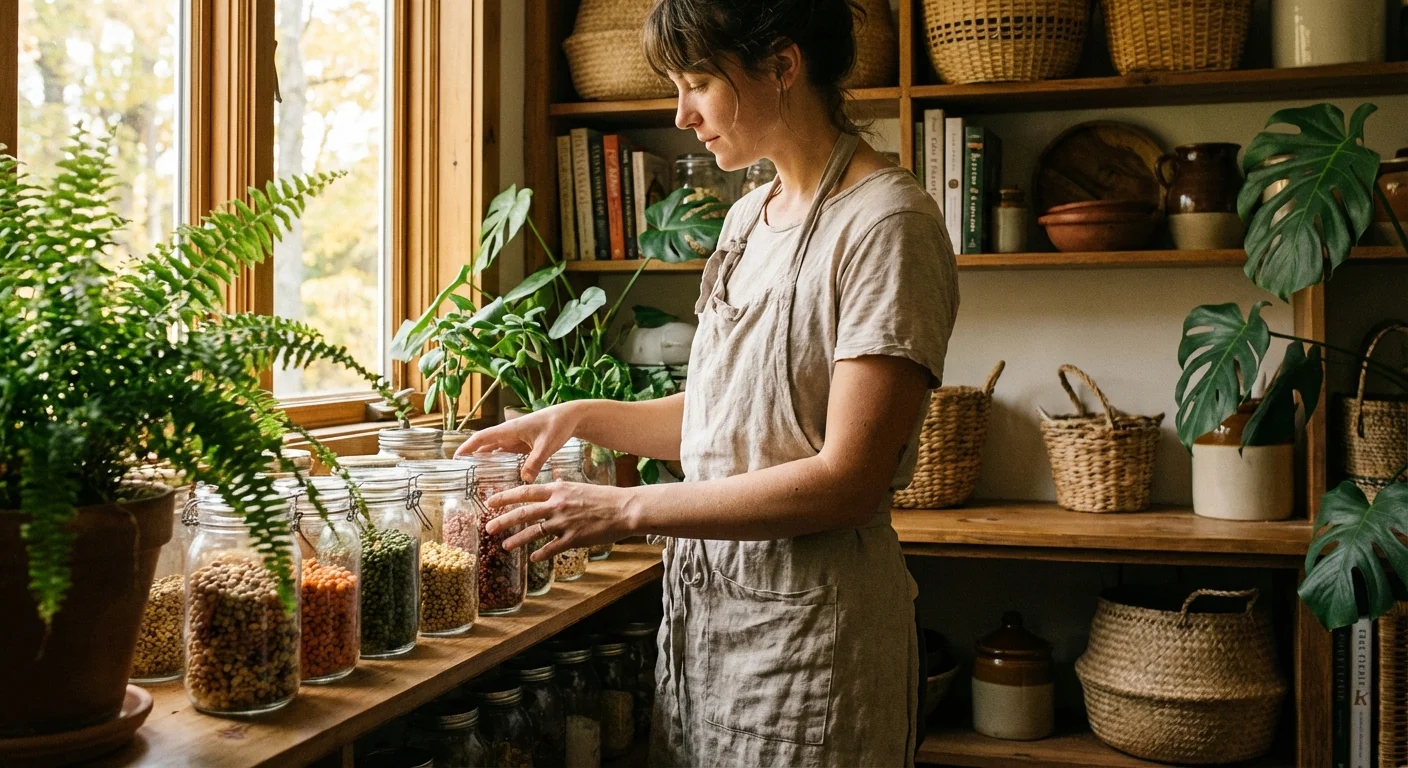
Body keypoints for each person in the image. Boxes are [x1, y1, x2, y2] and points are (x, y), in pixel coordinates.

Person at [459, 0, 959, 764]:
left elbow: (849, 480)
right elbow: (737, 412)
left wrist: (626, 507)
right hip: (708, 620)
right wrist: (582, 415)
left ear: (783, 67)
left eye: (697, 82)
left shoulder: (887, 225)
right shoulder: (746, 220)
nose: (683, 114)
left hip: (814, 639)